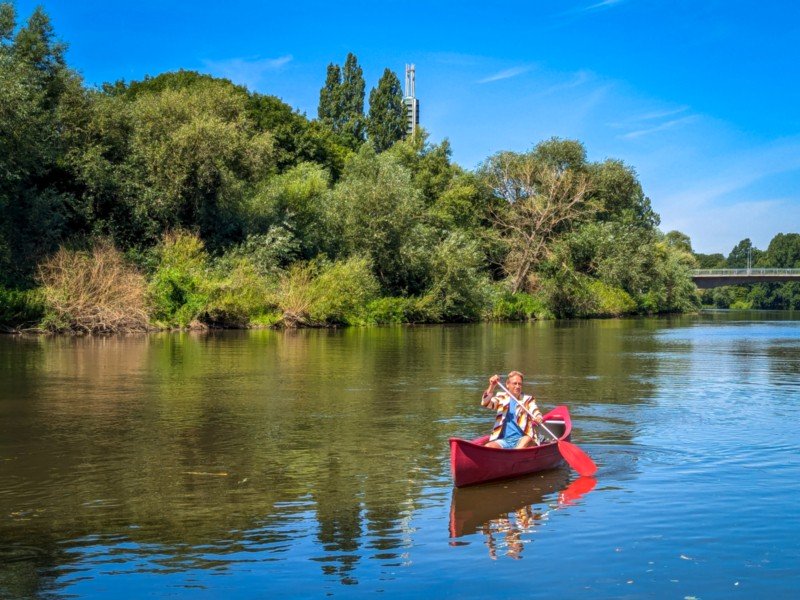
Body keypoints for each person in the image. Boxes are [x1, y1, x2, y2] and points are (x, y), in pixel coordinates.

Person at [481, 371, 543, 449]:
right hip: (504, 440)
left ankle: (514, 456)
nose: (517, 386)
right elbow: (485, 403)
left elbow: (535, 411)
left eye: (519, 384)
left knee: (526, 439)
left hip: (523, 438)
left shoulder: (528, 400)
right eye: (515, 383)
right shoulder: (501, 398)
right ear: (507, 384)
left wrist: (539, 417)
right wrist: (492, 386)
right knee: (488, 446)